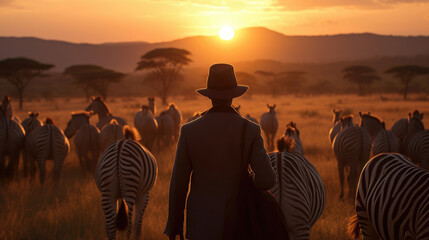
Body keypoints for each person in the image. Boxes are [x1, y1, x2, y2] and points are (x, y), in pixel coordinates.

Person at [164, 63, 276, 240]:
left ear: (209, 96)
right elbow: (267, 180)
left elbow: (179, 183)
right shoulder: (250, 130)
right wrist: (248, 179)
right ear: (234, 96)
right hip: (240, 225)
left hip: (200, 227)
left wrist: (174, 224)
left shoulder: (189, 131)